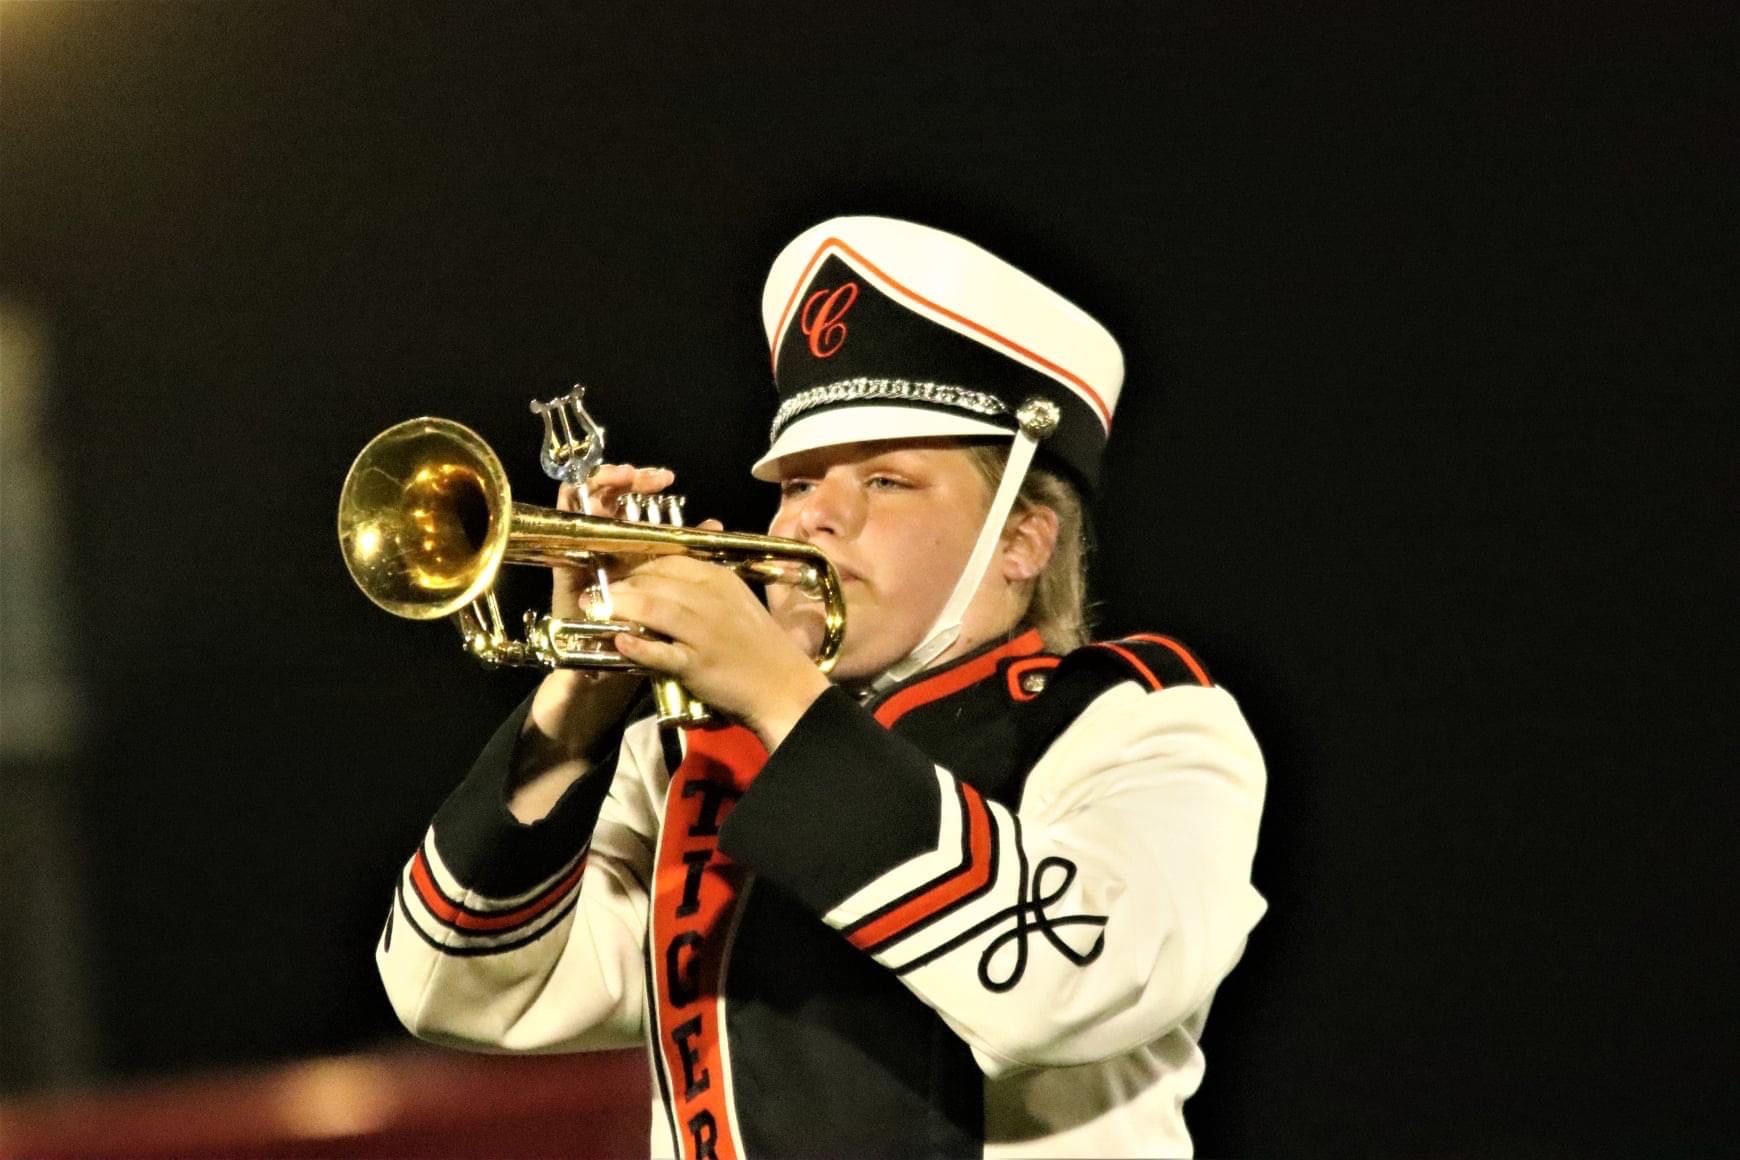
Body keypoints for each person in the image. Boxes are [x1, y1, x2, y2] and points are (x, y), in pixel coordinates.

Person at [376, 216, 1267, 1158]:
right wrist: (580, 698)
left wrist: (776, 696)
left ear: (1020, 541)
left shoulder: (1143, 725)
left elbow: (1064, 985)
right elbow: (450, 989)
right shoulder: (691, 755)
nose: (815, 521)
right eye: (797, 483)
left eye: (885, 482)